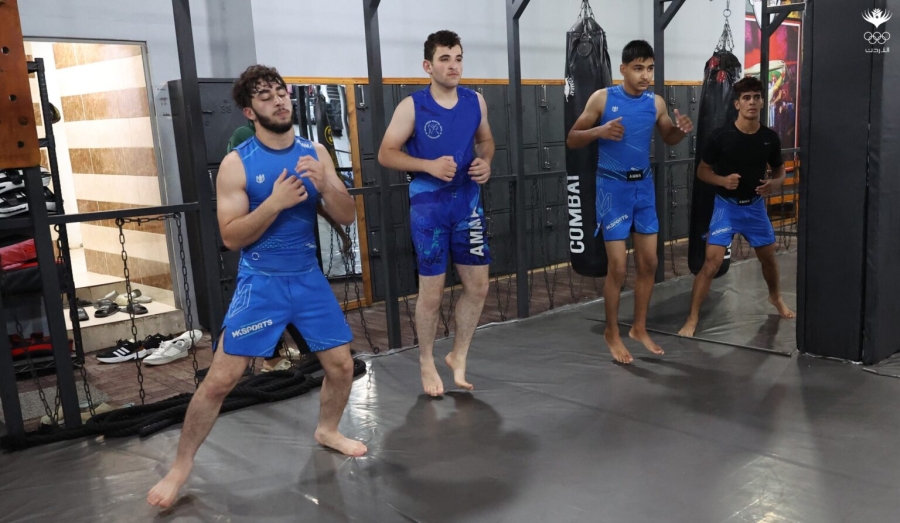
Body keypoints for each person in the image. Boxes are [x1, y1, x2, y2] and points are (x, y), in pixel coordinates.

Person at [148, 65, 365, 510]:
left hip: (307, 278)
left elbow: (347, 216)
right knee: (220, 380)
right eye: (265, 97)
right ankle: (181, 466)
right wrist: (275, 204)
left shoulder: (315, 152)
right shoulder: (237, 163)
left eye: (280, 92)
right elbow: (231, 237)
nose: (278, 100)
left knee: (342, 366)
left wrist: (326, 183)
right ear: (250, 111)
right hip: (262, 282)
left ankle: (327, 430)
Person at [378, 30, 494, 396]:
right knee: (431, 294)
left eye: (458, 58)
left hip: (467, 204)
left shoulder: (475, 101)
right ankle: (427, 360)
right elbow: (386, 154)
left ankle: (458, 355)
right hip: (429, 208)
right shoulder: (412, 106)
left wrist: (486, 162)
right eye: (445, 59)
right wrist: (427, 165)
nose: (454, 65)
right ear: (428, 66)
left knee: (478, 287)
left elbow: (486, 140)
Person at [566, 40, 693, 364]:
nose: (645, 75)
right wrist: (599, 131)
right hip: (612, 190)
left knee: (649, 262)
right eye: (638, 68)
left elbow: (669, 137)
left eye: (649, 68)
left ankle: (638, 327)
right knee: (619, 267)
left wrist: (681, 131)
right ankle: (612, 331)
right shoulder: (602, 98)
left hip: (643, 189)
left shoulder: (656, 103)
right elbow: (572, 138)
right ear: (623, 69)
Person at [677, 76, 795, 337]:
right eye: (746, 98)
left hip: (754, 208)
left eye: (756, 97)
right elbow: (702, 171)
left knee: (769, 258)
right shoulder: (721, 136)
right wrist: (722, 180)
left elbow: (779, 170)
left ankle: (775, 297)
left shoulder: (769, 138)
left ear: (762, 102)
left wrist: (775, 184)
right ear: (737, 104)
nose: (752, 102)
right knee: (711, 264)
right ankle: (692, 318)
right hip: (726, 207)